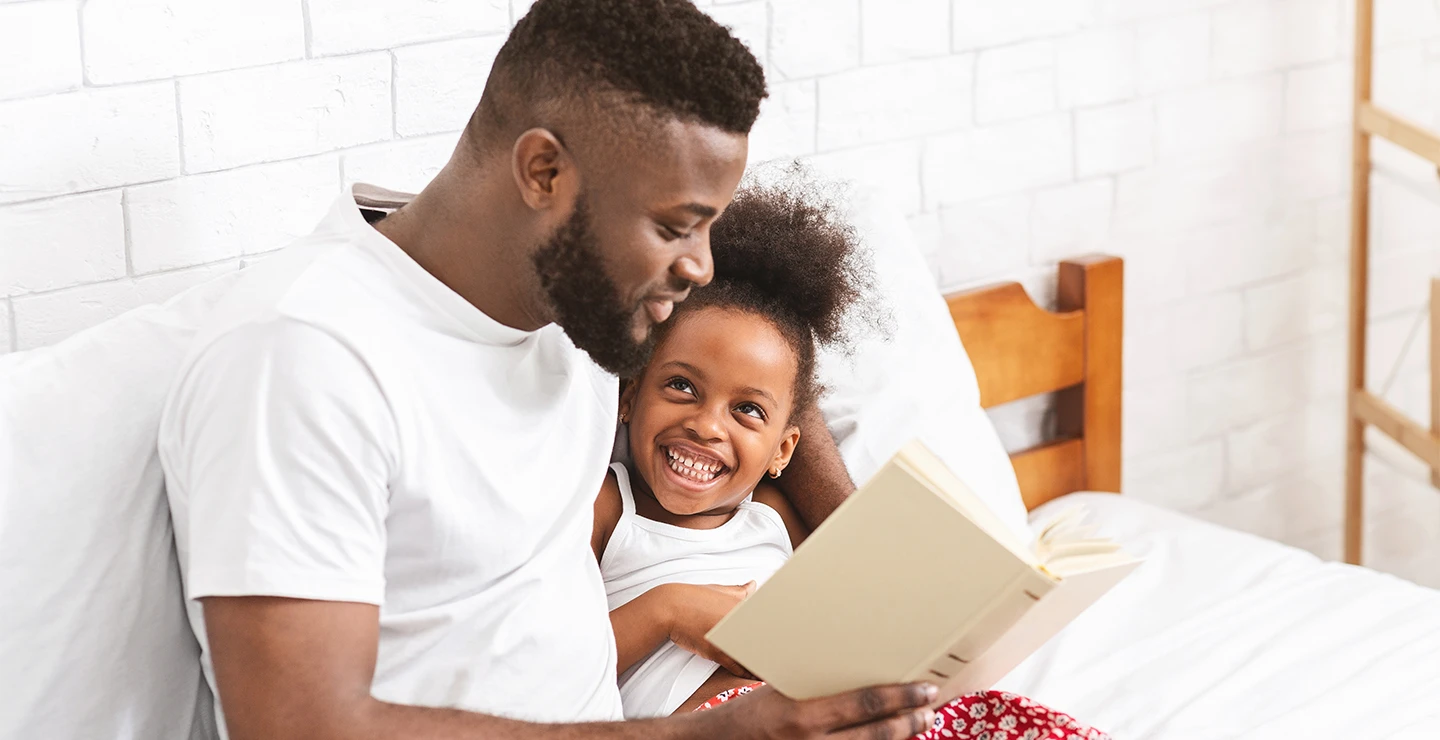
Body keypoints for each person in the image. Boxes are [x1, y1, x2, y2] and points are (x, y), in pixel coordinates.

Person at [157, 1, 935, 738]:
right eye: (677, 228)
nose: (701, 266)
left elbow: (763, 369)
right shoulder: (304, 359)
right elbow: (299, 727)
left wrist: (866, 555)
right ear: (543, 173)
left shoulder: (581, 305)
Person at [592, 180, 1111, 740]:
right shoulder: (607, 509)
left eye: (747, 410)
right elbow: (553, 661)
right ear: (629, 395)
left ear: (784, 450)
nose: (707, 425)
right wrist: (668, 612)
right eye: (681, 386)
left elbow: (852, 608)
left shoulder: (772, 516)